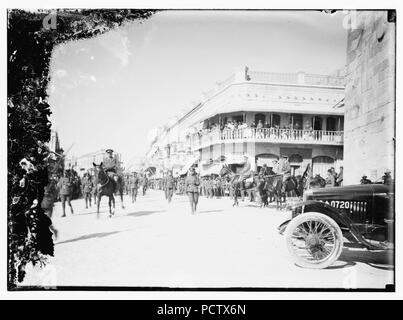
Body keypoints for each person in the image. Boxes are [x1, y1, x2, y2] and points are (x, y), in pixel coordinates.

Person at [41, 173, 59, 238]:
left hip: (48, 206)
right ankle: (54, 231)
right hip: (41, 206)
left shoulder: (51, 185)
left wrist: (50, 197)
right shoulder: (39, 184)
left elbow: (56, 193)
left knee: (46, 222)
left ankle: (52, 232)